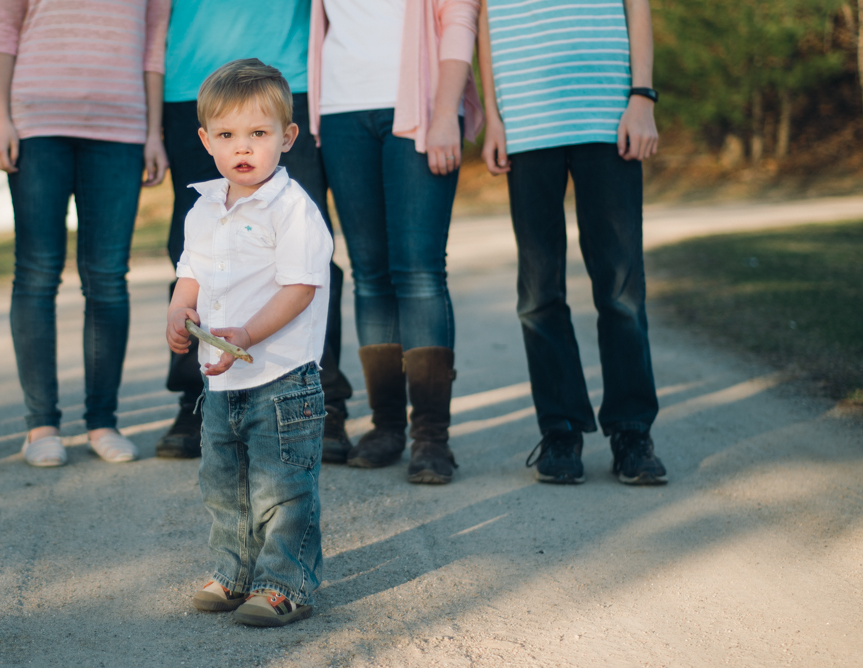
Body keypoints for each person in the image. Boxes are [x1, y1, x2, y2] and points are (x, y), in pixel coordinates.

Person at [166, 60, 332, 627]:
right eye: (229, 135)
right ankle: (234, 573)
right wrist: (176, 308)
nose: (244, 147)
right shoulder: (205, 207)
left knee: (283, 487)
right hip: (223, 379)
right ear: (205, 140)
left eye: (259, 134)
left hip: (283, 377)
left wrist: (249, 333)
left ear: (286, 137)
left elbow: (300, 288)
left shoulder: (293, 210)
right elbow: (191, 271)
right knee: (225, 484)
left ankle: (286, 584)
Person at [154, 0, 354, 464]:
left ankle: (320, 400)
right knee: (201, 240)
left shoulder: (281, 131)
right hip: (192, 78)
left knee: (300, 246)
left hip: (288, 79)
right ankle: (198, 394)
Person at [478, 0, 667, 485]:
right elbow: (484, 19)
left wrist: (642, 96)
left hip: (608, 119)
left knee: (621, 289)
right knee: (539, 293)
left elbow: (636, 5)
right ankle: (561, 429)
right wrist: (493, 117)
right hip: (527, 125)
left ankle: (631, 431)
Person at [0, 0, 170, 467]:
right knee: (36, 273)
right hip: (36, 123)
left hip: (121, 128)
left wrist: (153, 132)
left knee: (107, 277)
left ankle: (102, 421)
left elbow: (153, 48)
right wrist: (0, 118)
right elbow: (3, 32)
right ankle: (40, 426)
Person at [309, 0, 483, 485]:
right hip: (341, 111)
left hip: (421, 105)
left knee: (420, 271)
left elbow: (460, 17)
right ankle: (385, 427)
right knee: (370, 274)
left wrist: (447, 111)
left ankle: (431, 438)